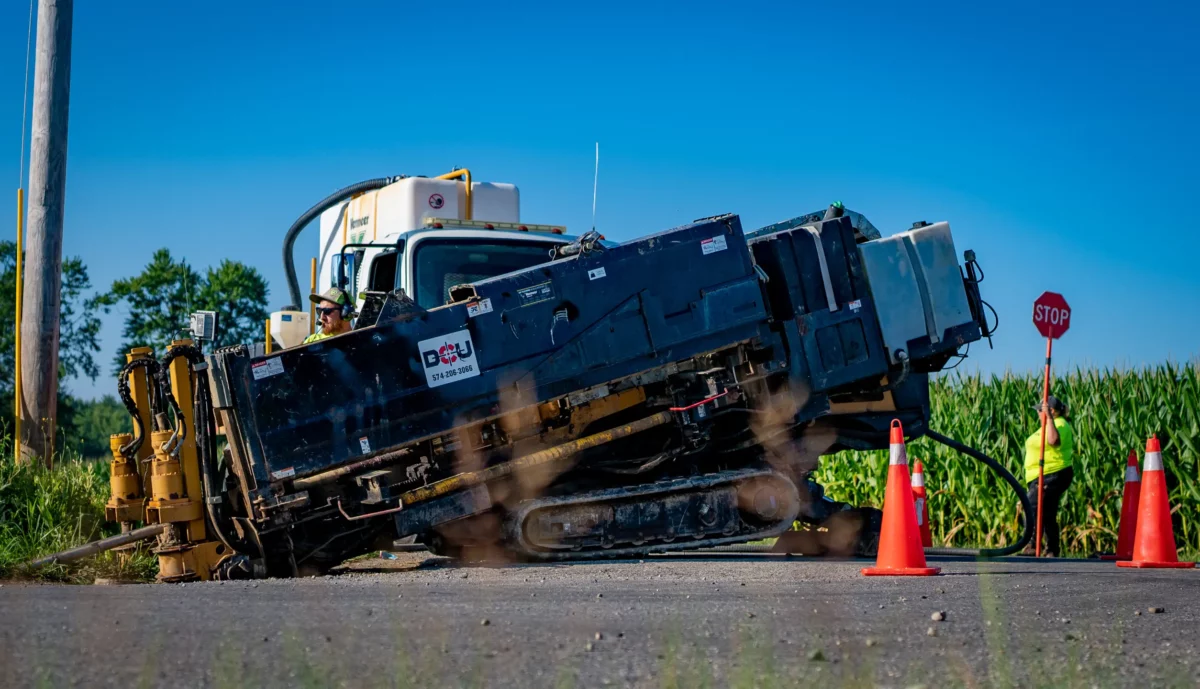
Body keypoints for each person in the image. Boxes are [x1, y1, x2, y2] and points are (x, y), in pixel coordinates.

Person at [1022, 395, 1075, 557]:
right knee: (1047, 512)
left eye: (1040, 410)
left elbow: (1053, 441)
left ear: (1050, 411)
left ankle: (1031, 546)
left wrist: (1049, 419)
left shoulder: (1059, 424)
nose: (1038, 413)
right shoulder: (1045, 426)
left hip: (1051, 473)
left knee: (1031, 507)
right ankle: (1052, 549)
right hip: (1040, 475)